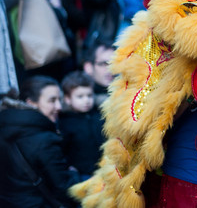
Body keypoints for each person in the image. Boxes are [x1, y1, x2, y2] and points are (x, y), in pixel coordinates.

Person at [0, 75, 79, 207]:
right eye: (52, 100)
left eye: (59, 99)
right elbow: (65, 188)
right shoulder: (43, 139)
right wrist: (74, 174)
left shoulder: (5, 128)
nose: (59, 106)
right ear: (31, 103)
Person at [58, 72, 105, 180]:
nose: (86, 100)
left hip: (106, 169)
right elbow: (62, 149)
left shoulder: (98, 115)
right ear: (67, 99)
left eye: (89, 95)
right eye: (80, 97)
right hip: (83, 174)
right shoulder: (65, 122)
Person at [83, 40, 115, 108]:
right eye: (104, 64)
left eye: (114, 64)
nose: (111, 69)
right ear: (88, 67)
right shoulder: (74, 100)